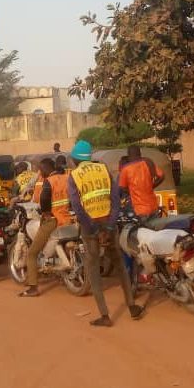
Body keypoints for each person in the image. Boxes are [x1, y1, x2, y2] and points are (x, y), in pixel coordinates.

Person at [68, 140, 145, 327]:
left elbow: (77, 207)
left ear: (75, 159)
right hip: (109, 224)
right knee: (119, 264)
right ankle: (132, 306)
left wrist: (93, 229)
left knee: (93, 271)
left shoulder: (74, 176)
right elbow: (115, 200)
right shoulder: (103, 170)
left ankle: (104, 315)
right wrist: (110, 226)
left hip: (90, 227)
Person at [18, 157, 72, 297]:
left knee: (32, 253)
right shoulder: (67, 178)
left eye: (41, 170)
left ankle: (33, 288)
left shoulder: (48, 181)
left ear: (44, 170)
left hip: (52, 220)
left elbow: (44, 202)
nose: (40, 173)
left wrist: (45, 214)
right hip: (67, 218)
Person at [118, 145, 164, 224]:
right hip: (153, 207)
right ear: (140, 154)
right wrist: (151, 186)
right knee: (155, 232)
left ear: (129, 155)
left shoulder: (125, 169)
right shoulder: (147, 164)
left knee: (144, 234)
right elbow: (162, 176)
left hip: (140, 210)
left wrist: (132, 191)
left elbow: (122, 188)